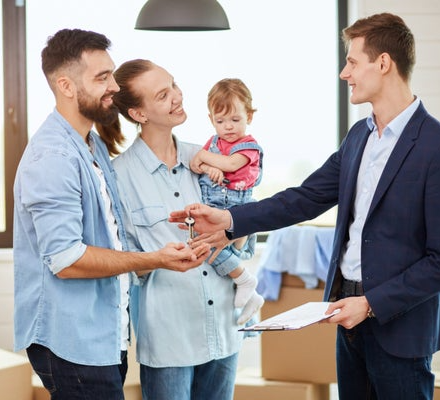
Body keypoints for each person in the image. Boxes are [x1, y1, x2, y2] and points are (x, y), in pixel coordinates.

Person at [170, 12, 440, 400]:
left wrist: (371, 304)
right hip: (346, 316)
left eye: (352, 62)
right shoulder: (359, 136)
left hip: (400, 327)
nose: (344, 73)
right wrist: (231, 219)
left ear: (383, 63)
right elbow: (305, 198)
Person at [13, 29, 209, 400]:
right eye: (102, 78)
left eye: (112, 75)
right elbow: (66, 259)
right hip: (71, 342)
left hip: (102, 337)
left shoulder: (92, 145)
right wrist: (154, 259)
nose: (113, 87)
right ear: (66, 86)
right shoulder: (53, 158)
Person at [101, 59, 253, 400]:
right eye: (162, 94)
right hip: (170, 337)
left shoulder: (207, 158)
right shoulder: (119, 176)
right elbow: (120, 263)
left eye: (174, 85)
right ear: (140, 114)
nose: (177, 96)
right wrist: (159, 259)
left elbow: (241, 241)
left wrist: (235, 227)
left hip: (224, 328)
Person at [190, 78, 264, 313]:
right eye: (220, 121)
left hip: (237, 207)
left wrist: (205, 159)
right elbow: (194, 163)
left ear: (249, 117)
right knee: (214, 251)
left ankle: (244, 280)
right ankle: (248, 290)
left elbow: (231, 164)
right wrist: (207, 167)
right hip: (214, 205)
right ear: (211, 120)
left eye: (235, 119)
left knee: (211, 249)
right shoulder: (213, 144)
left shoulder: (249, 146)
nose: (228, 127)